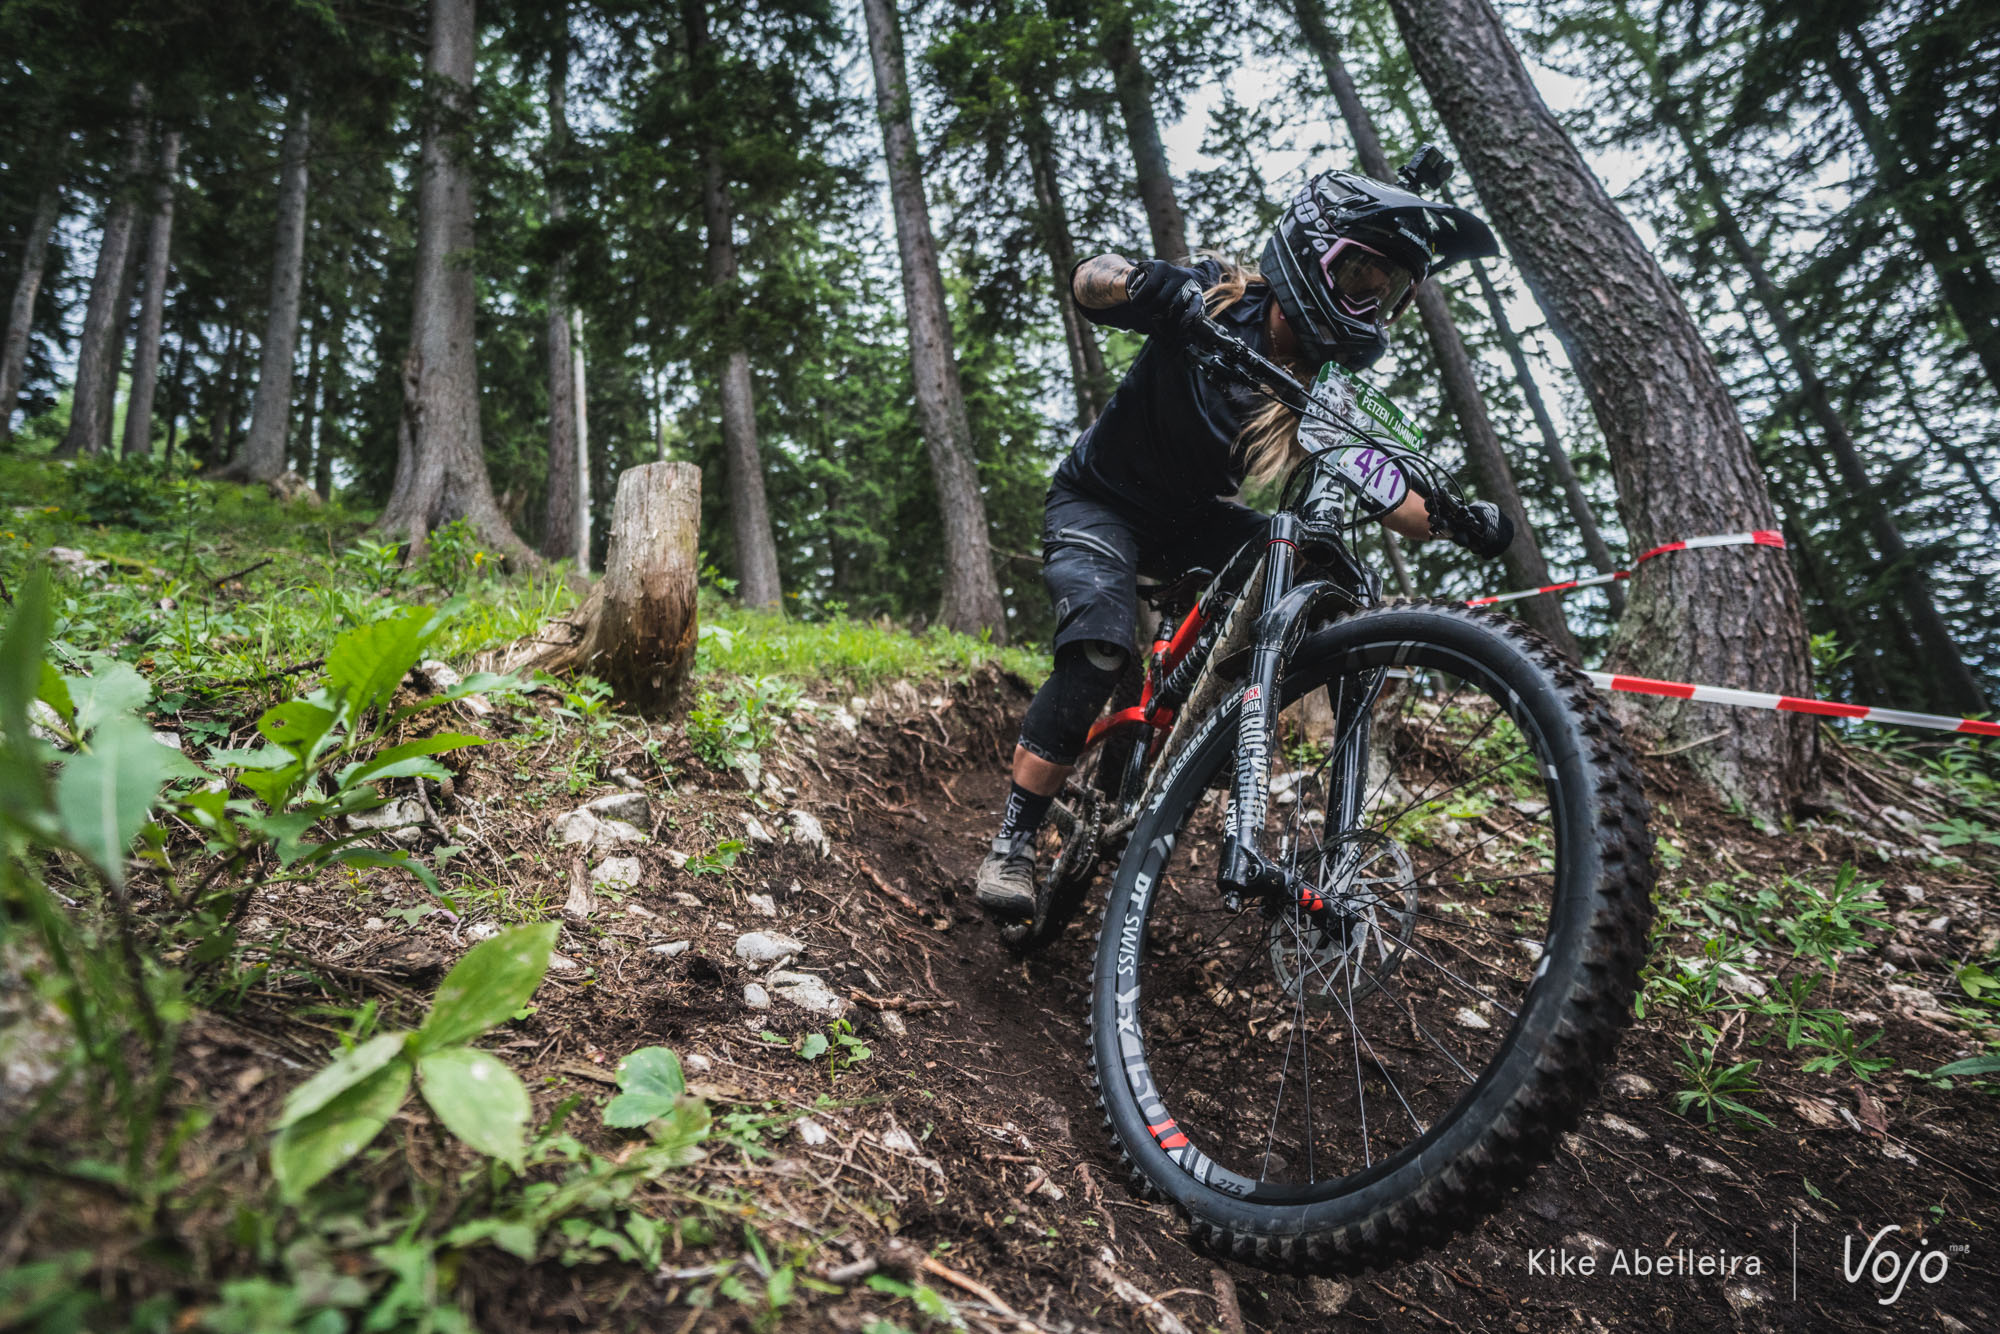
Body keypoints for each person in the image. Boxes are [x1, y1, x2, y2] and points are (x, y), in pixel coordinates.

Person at [973, 166, 1512, 921]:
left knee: (1315, 563)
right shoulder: (1218, 296)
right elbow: (1090, 282)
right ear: (1310, 252)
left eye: (1384, 293)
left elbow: (1399, 503)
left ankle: (1219, 724)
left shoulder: (1325, 394)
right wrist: (1144, 285)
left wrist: (1461, 517)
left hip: (1192, 519)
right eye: (1357, 275)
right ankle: (1013, 840)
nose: (1367, 302)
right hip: (1099, 503)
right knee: (1099, 642)